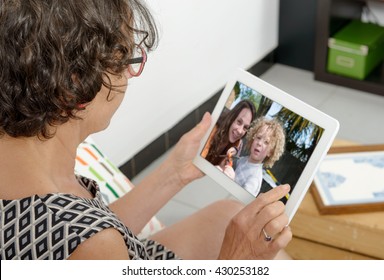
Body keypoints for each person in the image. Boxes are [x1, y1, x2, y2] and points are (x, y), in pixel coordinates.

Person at [0, 0, 292, 260]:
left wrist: (175, 173)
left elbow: (91, 228)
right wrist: (236, 259)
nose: (130, 74)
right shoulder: (93, 244)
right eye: (124, 62)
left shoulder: (31, 168)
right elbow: (89, 239)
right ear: (74, 88)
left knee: (225, 214)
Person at [201, 100, 256, 178]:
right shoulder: (212, 129)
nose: (240, 131)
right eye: (239, 122)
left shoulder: (237, 142)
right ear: (232, 118)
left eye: (245, 127)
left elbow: (235, 150)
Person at [234, 117, 286, 197]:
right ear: (252, 139)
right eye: (258, 138)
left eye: (266, 142)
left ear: (270, 152)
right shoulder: (242, 160)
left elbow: (239, 201)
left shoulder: (255, 178)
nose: (260, 143)